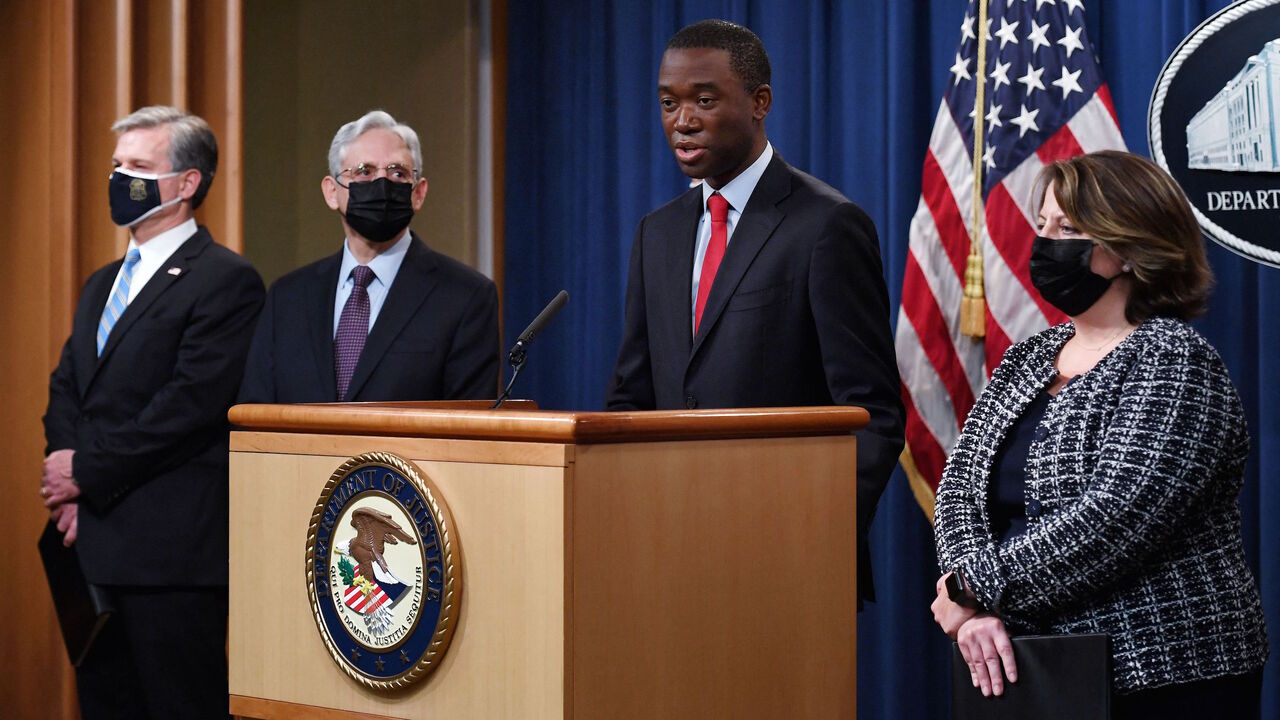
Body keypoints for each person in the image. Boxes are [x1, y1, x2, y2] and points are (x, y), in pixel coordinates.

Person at [931, 151, 1268, 717]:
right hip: (1027, 662)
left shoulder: (1174, 360)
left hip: (1164, 672)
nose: (1044, 243)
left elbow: (1115, 519)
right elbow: (961, 486)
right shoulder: (1029, 357)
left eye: (1068, 229)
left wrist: (970, 590)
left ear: (1132, 249)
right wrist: (975, 613)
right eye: (1042, 225)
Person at [606, 19, 904, 605]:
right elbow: (632, 397)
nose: (682, 121)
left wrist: (807, 538)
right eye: (669, 103)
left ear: (760, 102)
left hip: (787, 564)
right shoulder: (656, 234)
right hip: (668, 555)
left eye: (704, 100)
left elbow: (870, 415)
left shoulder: (826, 225)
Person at [40, 106, 265, 718]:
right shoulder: (101, 282)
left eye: (138, 167)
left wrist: (85, 473)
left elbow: (189, 406)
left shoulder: (226, 280)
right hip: (91, 546)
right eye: (117, 166)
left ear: (187, 182)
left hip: (170, 557)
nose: (120, 179)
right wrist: (67, 484)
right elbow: (67, 389)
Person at [238, 110, 499, 404]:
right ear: (331, 192)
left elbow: (467, 429)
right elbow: (253, 417)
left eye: (397, 173)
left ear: (418, 193)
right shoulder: (288, 297)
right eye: (364, 171)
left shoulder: (465, 296)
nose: (382, 184)